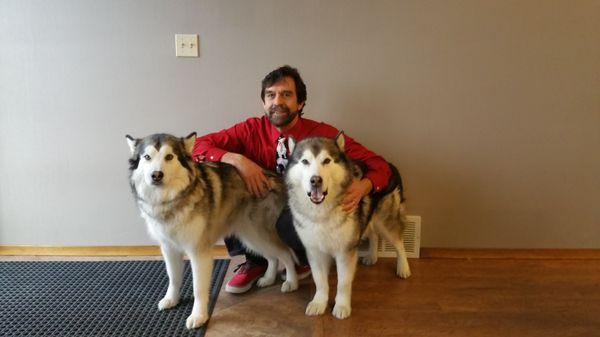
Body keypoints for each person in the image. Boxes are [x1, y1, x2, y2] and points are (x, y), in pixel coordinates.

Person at [192, 65, 392, 293]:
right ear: (263, 103)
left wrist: (365, 186)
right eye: (270, 95)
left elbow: (380, 165)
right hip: (263, 201)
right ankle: (255, 261)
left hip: (307, 208)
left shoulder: (324, 135)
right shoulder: (250, 129)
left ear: (301, 103)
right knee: (227, 192)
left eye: (286, 95)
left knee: (288, 222)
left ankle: (303, 257)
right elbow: (198, 146)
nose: (277, 101)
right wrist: (237, 160)